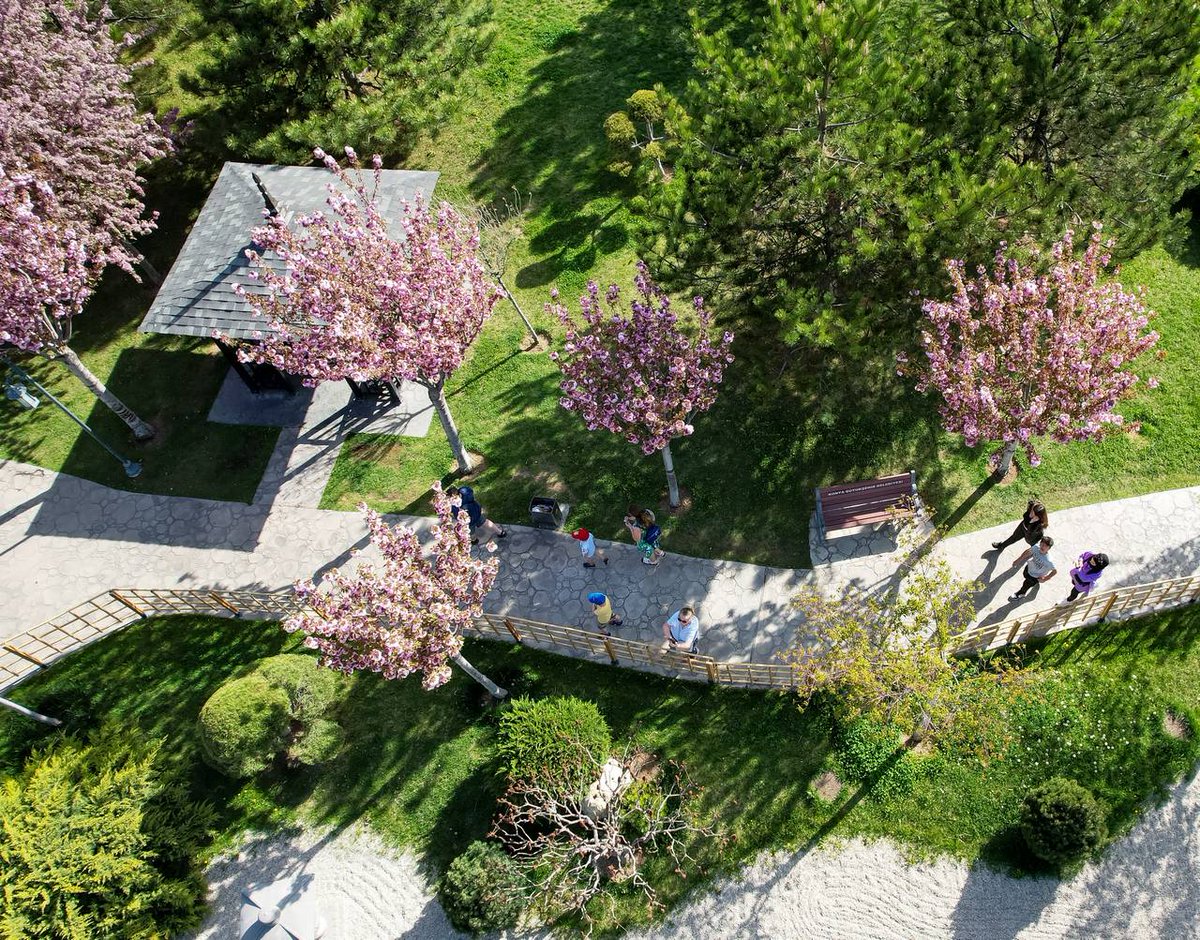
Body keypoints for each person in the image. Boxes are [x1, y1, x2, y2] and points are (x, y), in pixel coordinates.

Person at [1007, 536, 1058, 602]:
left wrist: (1045, 578)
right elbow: (1028, 551)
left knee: (1025, 585)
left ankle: (1021, 593)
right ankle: (1035, 583)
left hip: (1035, 576)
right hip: (1029, 568)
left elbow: (1054, 571)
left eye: (1045, 546)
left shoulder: (1049, 560)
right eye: (1042, 544)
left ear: (1049, 548)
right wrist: (1018, 560)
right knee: (1025, 575)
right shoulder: (1036, 547)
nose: (1043, 547)